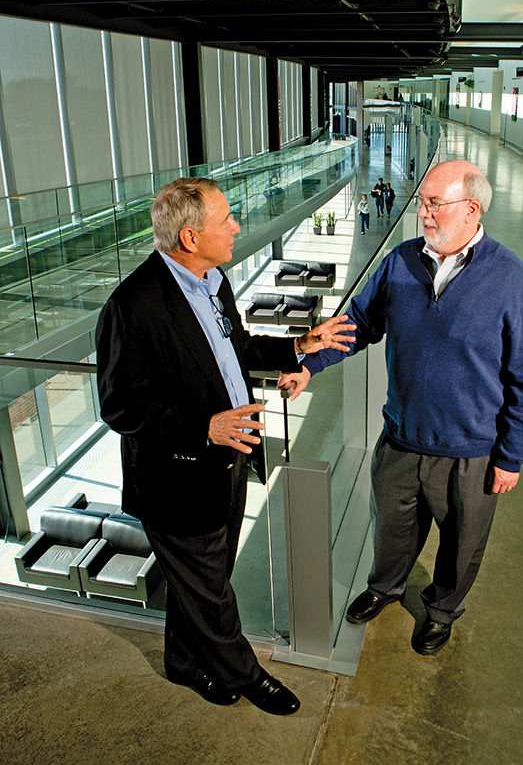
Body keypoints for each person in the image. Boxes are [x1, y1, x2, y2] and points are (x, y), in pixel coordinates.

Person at [95, 177, 355, 714]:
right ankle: (244, 673)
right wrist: (203, 428)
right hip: (178, 477)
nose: (237, 226)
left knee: (204, 581)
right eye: (226, 220)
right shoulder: (132, 307)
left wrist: (299, 345)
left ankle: (184, 663)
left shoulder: (213, 280)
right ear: (190, 238)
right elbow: (120, 407)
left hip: (231, 461)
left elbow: (233, 347)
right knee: (211, 592)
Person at [278, 160, 523, 656]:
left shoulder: (512, 281)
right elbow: (358, 323)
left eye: (433, 203)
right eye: (423, 201)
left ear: (471, 208)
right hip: (401, 436)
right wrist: (308, 365)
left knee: (462, 543)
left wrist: (512, 456)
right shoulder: (400, 262)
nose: (422, 212)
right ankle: (386, 588)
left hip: (471, 452)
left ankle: (442, 611)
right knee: (392, 527)